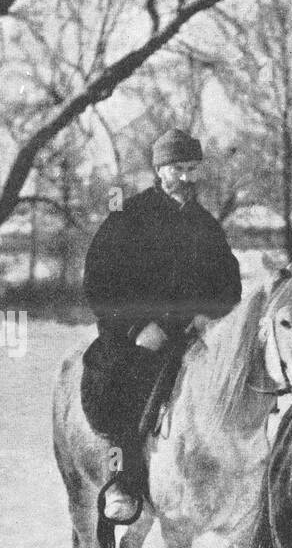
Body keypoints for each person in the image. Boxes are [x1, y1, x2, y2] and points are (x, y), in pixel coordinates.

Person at [81, 128, 242, 522]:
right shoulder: (129, 217)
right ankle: (123, 481)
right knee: (126, 384)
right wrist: (138, 328)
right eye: (178, 169)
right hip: (139, 336)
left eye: (192, 168)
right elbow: (100, 281)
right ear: (160, 170)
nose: (187, 178)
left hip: (192, 336)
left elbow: (229, 284)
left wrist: (210, 315)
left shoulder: (207, 225)